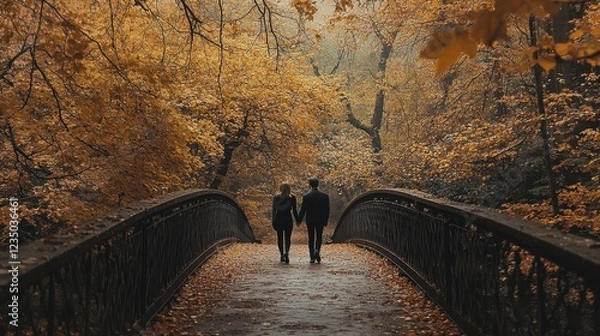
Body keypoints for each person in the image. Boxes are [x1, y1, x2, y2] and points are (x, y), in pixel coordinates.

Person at [297, 177, 330, 264]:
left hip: (310, 219)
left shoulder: (307, 196)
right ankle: (317, 251)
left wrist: (299, 220)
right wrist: (326, 220)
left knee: (311, 237)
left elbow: (303, 210)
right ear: (317, 184)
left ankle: (312, 256)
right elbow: (327, 209)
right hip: (320, 219)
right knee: (319, 237)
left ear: (310, 185)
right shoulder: (324, 196)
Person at [272, 183, 298, 264]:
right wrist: (298, 220)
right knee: (287, 237)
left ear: (280, 188)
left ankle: (281, 255)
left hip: (279, 218)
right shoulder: (292, 198)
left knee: (280, 237)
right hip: (288, 218)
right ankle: (286, 253)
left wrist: (273, 220)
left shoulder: (276, 197)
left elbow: (273, 210)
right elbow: (294, 211)